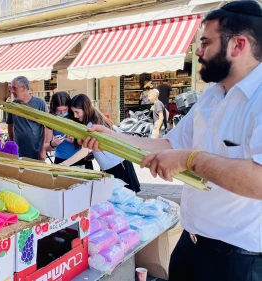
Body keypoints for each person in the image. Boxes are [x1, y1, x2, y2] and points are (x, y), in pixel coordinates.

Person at [80, 2, 262, 279]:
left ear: (237, 45)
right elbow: (169, 145)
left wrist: (191, 160)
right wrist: (112, 137)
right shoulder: (212, 96)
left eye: (205, 42)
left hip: (237, 260)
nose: (198, 52)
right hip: (191, 245)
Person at [64, 94, 140, 192]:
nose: (75, 116)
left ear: (85, 109)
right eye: (73, 112)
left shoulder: (92, 125)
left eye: (77, 112)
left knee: (123, 200)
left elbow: (84, 151)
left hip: (117, 167)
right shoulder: (96, 118)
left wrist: (64, 164)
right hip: (117, 164)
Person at [43, 92, 93, 169]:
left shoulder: (77, 116)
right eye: (58, 111)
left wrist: (75, 140)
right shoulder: (50, 120)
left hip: (81, 159)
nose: (62, 113)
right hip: (61, 159)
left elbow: (86, 145)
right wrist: (53, 143)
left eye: (65, 110)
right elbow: (46, 147)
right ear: (53, 108)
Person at [7, 76, 47, 160]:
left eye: (14, 88)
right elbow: (10, 125)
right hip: (19, 151)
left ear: (23, 88)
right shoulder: (13, 105)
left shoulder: (40, 103)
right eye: (11, 88)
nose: (12, 91)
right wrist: (13, 144)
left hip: (36, 151)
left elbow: (46, 127)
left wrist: (43, 149)